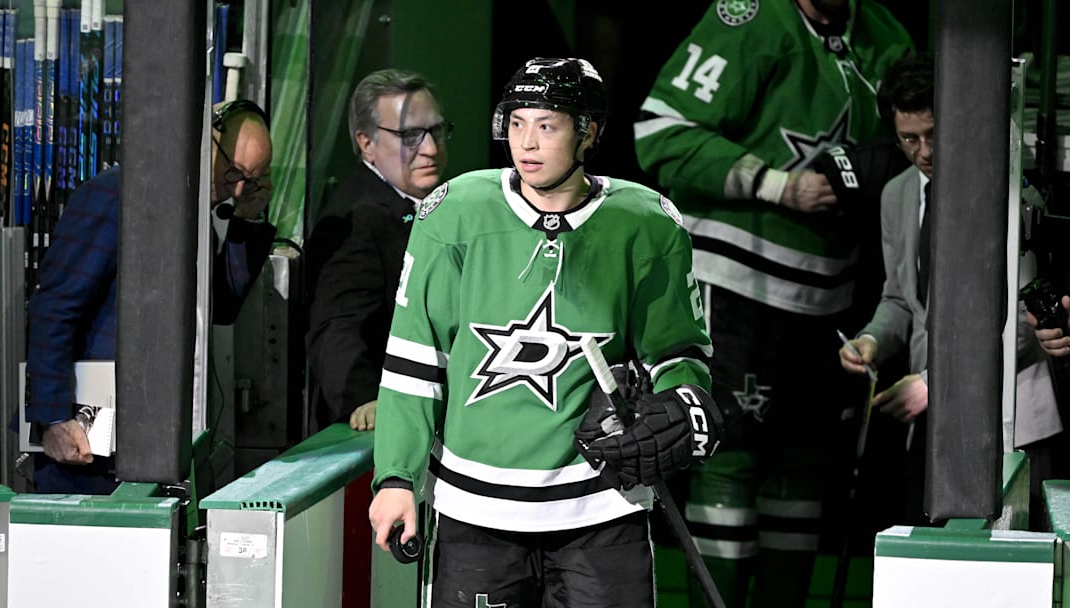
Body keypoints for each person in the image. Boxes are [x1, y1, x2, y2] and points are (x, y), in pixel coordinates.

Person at [368, 57, 723, 607]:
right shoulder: (453, 213)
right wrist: (395, 476)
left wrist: (681, 397)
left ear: (589, 133)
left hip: (603, 505)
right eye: (516, 123)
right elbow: (415, 360)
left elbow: (675, 350)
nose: (526, 142)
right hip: (474, 509)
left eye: (547, 125)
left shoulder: (648, 222)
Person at [633, 1, 912, 605]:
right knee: (728, 451)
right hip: (736, 279)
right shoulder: (748, 19)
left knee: (804, 463)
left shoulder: (883, 33)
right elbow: (659, 133)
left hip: (830, 290)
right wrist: (776, 183)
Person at [842, 53, 1064, 532]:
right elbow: (901, 298)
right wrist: (871, 341)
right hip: (934, 426)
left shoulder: (1006, 195)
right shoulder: (897, 194)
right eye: (909, 139)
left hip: (1012, 422)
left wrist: (933, 383)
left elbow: (1025, 324)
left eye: (934, 134)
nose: (923, 151)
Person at [25, 99, 276, 494]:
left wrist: (247, 219)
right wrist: (53, 417)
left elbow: (220, 308)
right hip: (88, 441)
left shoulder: (197, 219)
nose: (237, 188)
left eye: (252, 180)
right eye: (233, 172)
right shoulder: (114, 197)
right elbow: (55, 309)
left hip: (160, 440)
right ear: (205, 138)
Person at [306, 68, 450, 432]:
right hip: (385, 431)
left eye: (436, 130)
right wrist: (364, 399)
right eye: (410, 135)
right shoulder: (354, 219)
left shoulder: (444, 204)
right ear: (366, 143)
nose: (430, 148)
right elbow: (336, 323)